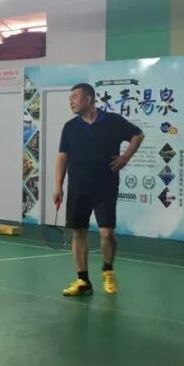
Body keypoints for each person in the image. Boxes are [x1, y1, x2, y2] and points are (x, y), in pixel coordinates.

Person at [53, 83, 144, 297]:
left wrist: (125, 157)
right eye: (70, 98)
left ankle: (107, 270)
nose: (71, 101)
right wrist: (58, 186)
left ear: (89, 99)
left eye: (75, 97)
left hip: (105, 187)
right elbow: (62, 157)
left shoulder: (113, 121)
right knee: (79, 233)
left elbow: (138, 135)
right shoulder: (69, 127)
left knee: (107, 234)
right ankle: (83, 281)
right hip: (78, 188)